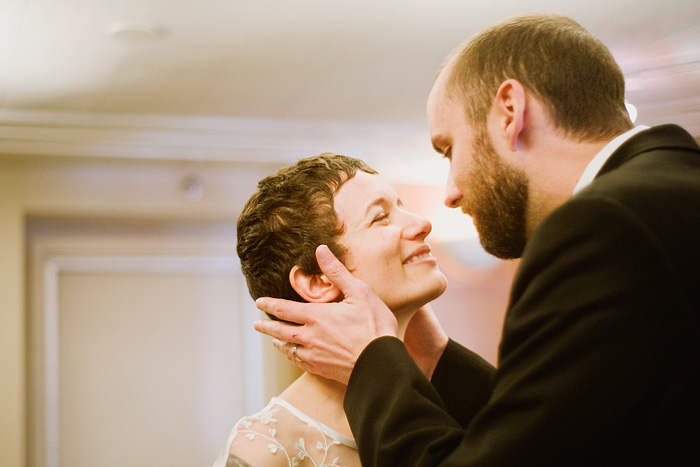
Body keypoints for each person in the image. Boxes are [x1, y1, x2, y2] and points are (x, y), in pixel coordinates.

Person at [254, 12, 700, 465]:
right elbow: (558, 435)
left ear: (510, 112)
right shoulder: (671, 195)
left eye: (449, 149)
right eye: (380, 217)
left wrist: (374, 360)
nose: (450, 194)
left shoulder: (603, 227)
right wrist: (439, 360)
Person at [211, 153, 449, 467]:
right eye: (381, 217)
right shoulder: (265, 451)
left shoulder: (445, 398)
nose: (423, 224)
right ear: (318, 280)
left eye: (401, 207)